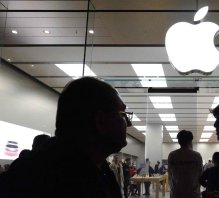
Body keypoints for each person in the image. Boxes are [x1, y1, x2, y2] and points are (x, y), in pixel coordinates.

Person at [0, 77, 132, 198]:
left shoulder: (100, 171)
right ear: (101, 121)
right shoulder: (36, 180)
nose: (129, 123)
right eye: (122, 114)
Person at [168, 130, 203, 198]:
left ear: (179, 141)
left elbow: (170, 175)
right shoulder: (197, 156)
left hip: (177, 193)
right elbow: (200, 174)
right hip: (193, 193)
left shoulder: (172, 155)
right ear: (190, 141)